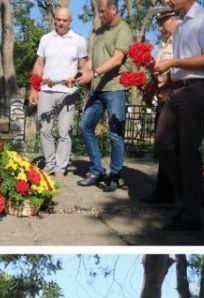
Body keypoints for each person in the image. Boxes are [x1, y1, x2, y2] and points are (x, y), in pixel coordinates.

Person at [152, 0, 204, 232]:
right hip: (176, 89)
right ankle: (192, 194)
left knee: (188, 153)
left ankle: (191, 215)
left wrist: (173, 62)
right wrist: (166, 78)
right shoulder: (180, 24)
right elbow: (181, 67)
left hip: (197, 91)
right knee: (162, 146)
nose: (167, 1)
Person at [77, 0, 134, 192]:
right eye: (98, 12)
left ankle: (115, 175)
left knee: (115, 134)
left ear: (113, 9)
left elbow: (117, 59)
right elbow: (92, 60)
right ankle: (97, 170)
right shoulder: (99, 31)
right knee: (85, 126)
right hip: (97, 89)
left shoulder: (123, 29)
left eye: (102, 12)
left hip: (116, 88)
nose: (99, 15)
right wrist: (79, 74)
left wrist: (93, 73)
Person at [28, 6, 89, 178]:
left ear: (70, 21)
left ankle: (61, 167)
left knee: (65, 131)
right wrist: (34, 88)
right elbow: (39, 64)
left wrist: (81, 84)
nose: (61, 23)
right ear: (54, 19)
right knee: (44, 129)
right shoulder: (45, 39)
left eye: (65, 20)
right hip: (46, 90)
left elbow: (84, 68)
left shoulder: (79, 40)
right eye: (59, 19)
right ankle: (50, 163)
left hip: (68, 93)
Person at [142, 6, 179, 204]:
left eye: (162, 23)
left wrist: (161, 78)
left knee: (169, 149)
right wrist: (151, 83)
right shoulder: (164, 43)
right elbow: (160, 75)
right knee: (164, 149)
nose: (159, 28)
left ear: (175, 19)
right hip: (164, 99)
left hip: (178, 100)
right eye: (158, 23)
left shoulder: (181, 41)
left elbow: (179, 72)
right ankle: (164, 192)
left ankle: (189, 192)